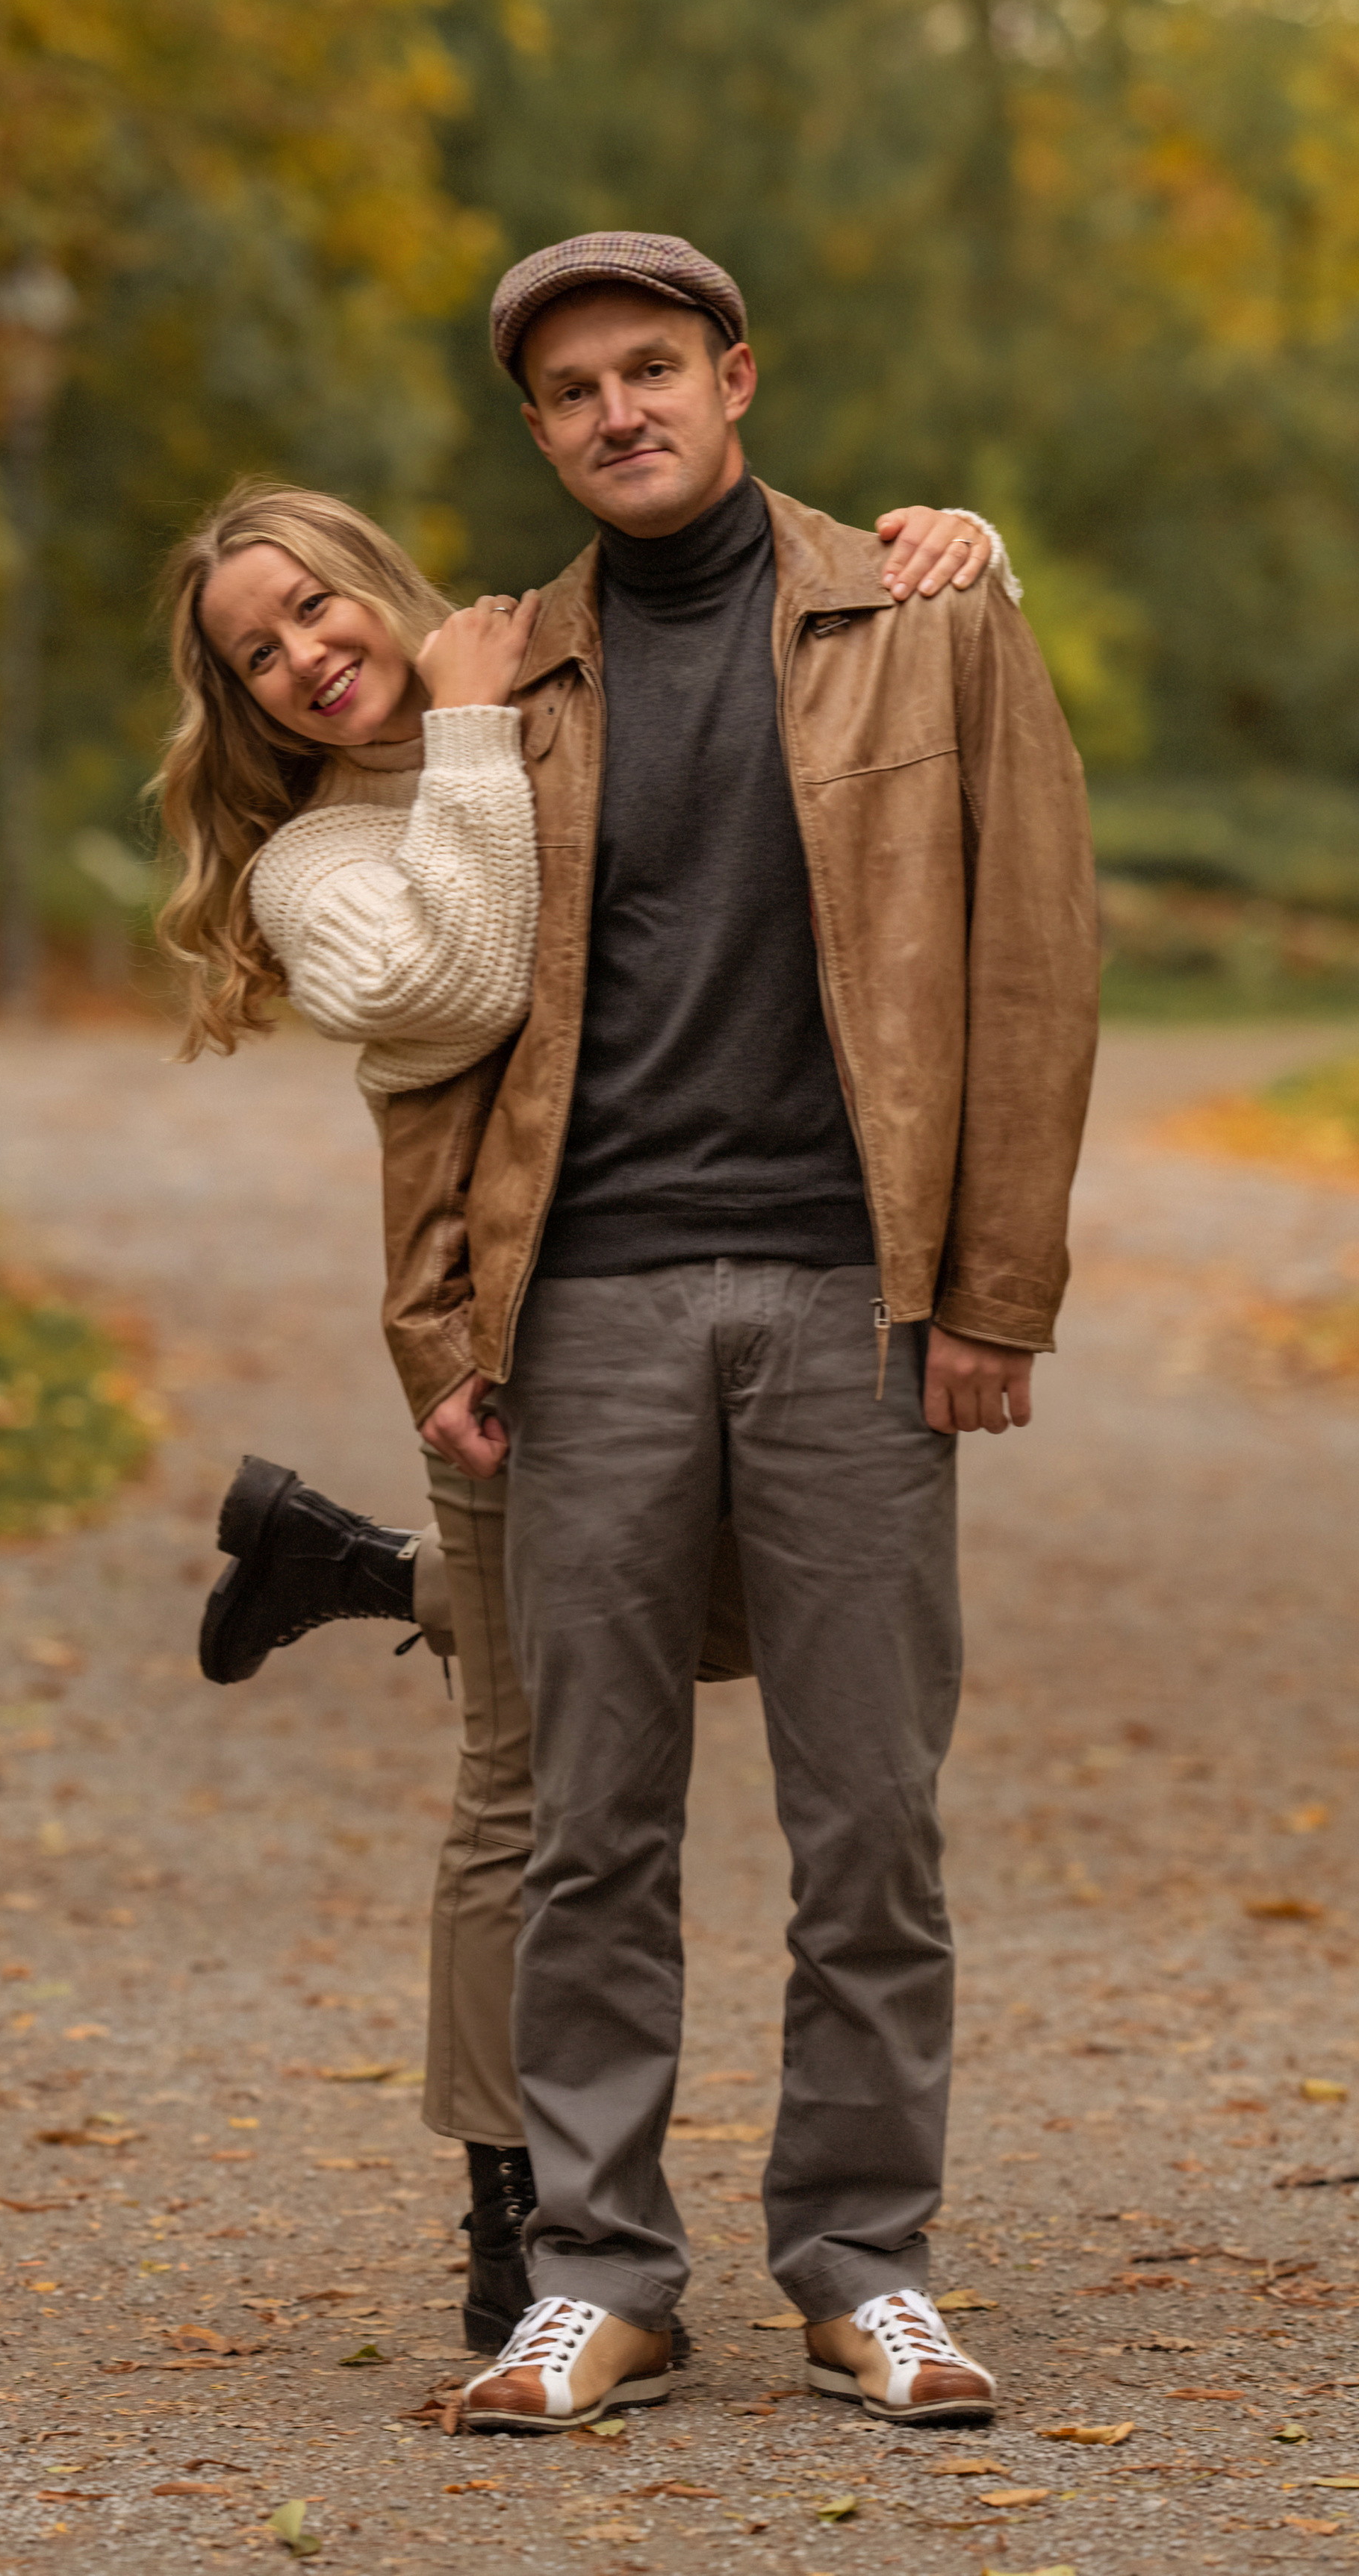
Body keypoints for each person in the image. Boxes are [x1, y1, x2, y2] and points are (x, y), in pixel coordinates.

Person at [349, 233, 1102, 2435]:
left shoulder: (925, 614)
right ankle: (598, 2272)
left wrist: (993, 1290)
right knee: (595, 1812)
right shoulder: (501, 680)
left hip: (850, 1294)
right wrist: (441, 1327)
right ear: (540, 431)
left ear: (736, 377)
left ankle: (868, 2264)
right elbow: (432, 1038)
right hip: (584, 1301)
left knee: (871, 1812)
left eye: (651, 369)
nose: (618, 412)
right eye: (573, 391)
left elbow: (1035, 963)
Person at [152, 466, 1010, 2351]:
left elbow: (773, 730)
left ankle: (343, 1566)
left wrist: (952, 560)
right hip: (502, 1332)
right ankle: (520, 2197)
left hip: (702, 1289)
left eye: (316, 606)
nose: (305, 656)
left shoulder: (548, 681)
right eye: (255, 649)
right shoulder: (331, 844)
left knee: (731, 1734)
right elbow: (462, 986)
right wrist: (460, 728)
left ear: (383, 580)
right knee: (535, 1788)